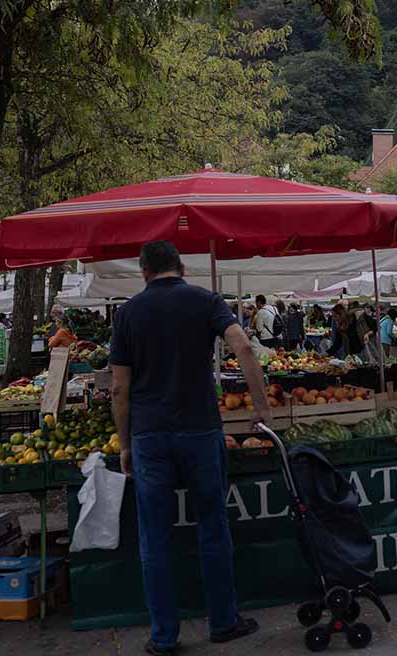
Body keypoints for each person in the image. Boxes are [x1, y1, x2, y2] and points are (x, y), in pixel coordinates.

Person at [108, 241, 269, 654]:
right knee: (213, 526)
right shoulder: (206, 301)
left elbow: (119, 388)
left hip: (148, 435)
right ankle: (223, 621)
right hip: (200, 429)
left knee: (155, 538)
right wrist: (260, 405)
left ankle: (164, 636)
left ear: (143, 272)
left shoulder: (127, 313)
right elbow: (244, 347)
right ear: (181, 267)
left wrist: (125, 444)